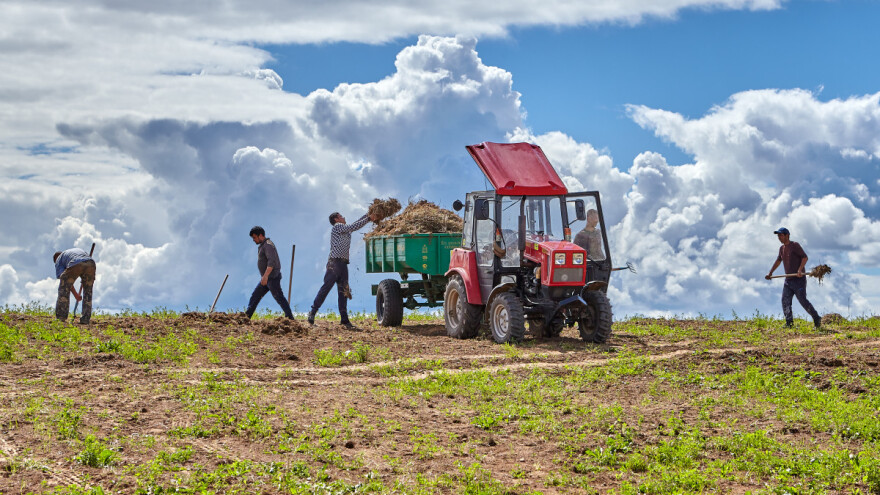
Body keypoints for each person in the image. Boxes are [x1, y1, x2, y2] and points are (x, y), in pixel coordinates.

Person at [308, 211, 377, 328]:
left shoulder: (345, 229)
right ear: (336, 219)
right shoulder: (338, 226)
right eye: (340, 216)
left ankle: (344, 320)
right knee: (326, 288)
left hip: (343, 264)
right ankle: (312, 312)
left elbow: (355, 224)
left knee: (344, 291)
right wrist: (369, 218)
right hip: (334, 263)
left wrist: (367, 215)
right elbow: (353, 226)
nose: (343, 217)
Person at [765, 227, 821, 328]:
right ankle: (789, 323)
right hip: (788, 280)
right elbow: (778, 261)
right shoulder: (782, 249)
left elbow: (805, 257)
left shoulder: (795, 245)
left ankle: (817, 318)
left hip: (798, 279)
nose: (779, 237)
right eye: (778, 236)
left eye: (781, 235)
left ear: (787, 235)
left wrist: (800, 270)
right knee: (785, 300)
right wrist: (770, 273)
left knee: (802, 300)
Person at [245, 226, 294, 319]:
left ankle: (290, 318)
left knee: (279, 297)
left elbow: (271, 262)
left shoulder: (268, 245)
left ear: (260, 235)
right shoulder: (263, 246)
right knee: (255, 296)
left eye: (254, 237)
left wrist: (265, 276)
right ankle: (246, 317)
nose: (253, 240)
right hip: (266, 278)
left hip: (272, 278)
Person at [53, 248, 96, 324]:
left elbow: (66, 283)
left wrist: (76, 295)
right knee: (88, 291)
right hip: (91, 263)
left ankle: (61, 317)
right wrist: (76, 295)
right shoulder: (72, 253)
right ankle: (85, 319)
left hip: (76, 263)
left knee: (63, 287)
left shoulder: (59, 260)